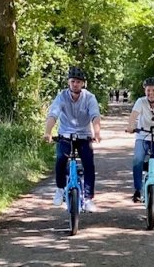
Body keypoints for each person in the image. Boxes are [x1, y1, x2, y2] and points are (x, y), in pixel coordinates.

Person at [43, 67, 103, 212]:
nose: (75, 84)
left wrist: (97, 132)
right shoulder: (61, 96)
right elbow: (53, 115)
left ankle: (88, 199)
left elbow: (95, 115)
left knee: (89, 165)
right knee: (60, 160)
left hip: (84, 136)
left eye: (78, 82)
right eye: (73, 81)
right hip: (65, 135)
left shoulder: (90, 98)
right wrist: (48, 132)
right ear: (69, 82)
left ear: (83, 84)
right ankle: (60, 189)